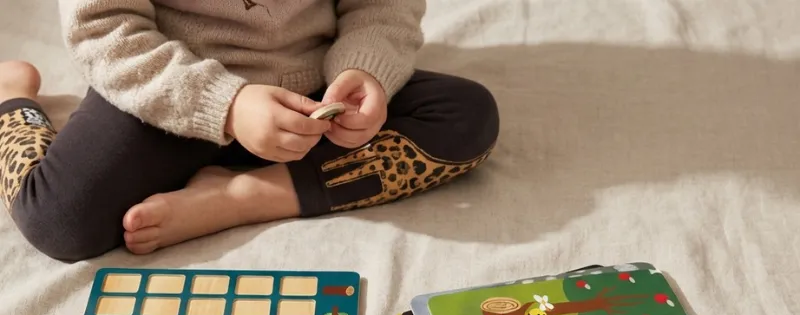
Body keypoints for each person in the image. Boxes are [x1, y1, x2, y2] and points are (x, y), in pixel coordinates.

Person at [0, 1, 499, 262]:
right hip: (171, 88)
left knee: (467, 116)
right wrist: (228, 105)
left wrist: (365, 69)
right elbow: (103, 28)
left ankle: (244, 196)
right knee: (56, 221)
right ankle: (10, 100)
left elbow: (383, 6)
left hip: (318, 88)